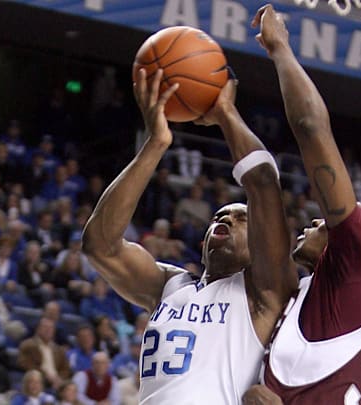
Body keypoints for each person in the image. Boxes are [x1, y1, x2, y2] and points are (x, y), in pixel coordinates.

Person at [82, 64, 295, 402]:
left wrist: (225, 113)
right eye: (218, 217)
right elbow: (100, 246)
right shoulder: (170, 285)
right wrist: (156, 143)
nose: (225, 219)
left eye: (242, 219)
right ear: (203, 240)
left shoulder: (265, 289)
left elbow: (264, 184)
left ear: (260, 243)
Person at [243, 5, 361, 404]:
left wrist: (280, 48)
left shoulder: (360, 264)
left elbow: (311, 127)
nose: (319, 220)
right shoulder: (331, 297)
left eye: (329, 225)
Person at [18, 317, 72, 389]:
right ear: (38, 329)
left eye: (51, 328)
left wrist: (59, 379)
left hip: (58, 383)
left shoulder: (59, 349)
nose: (48, 330)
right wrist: (46, 376)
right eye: (45, 327)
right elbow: (26, 364)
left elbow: (66, 368)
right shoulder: (28, 345)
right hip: (38, 381)